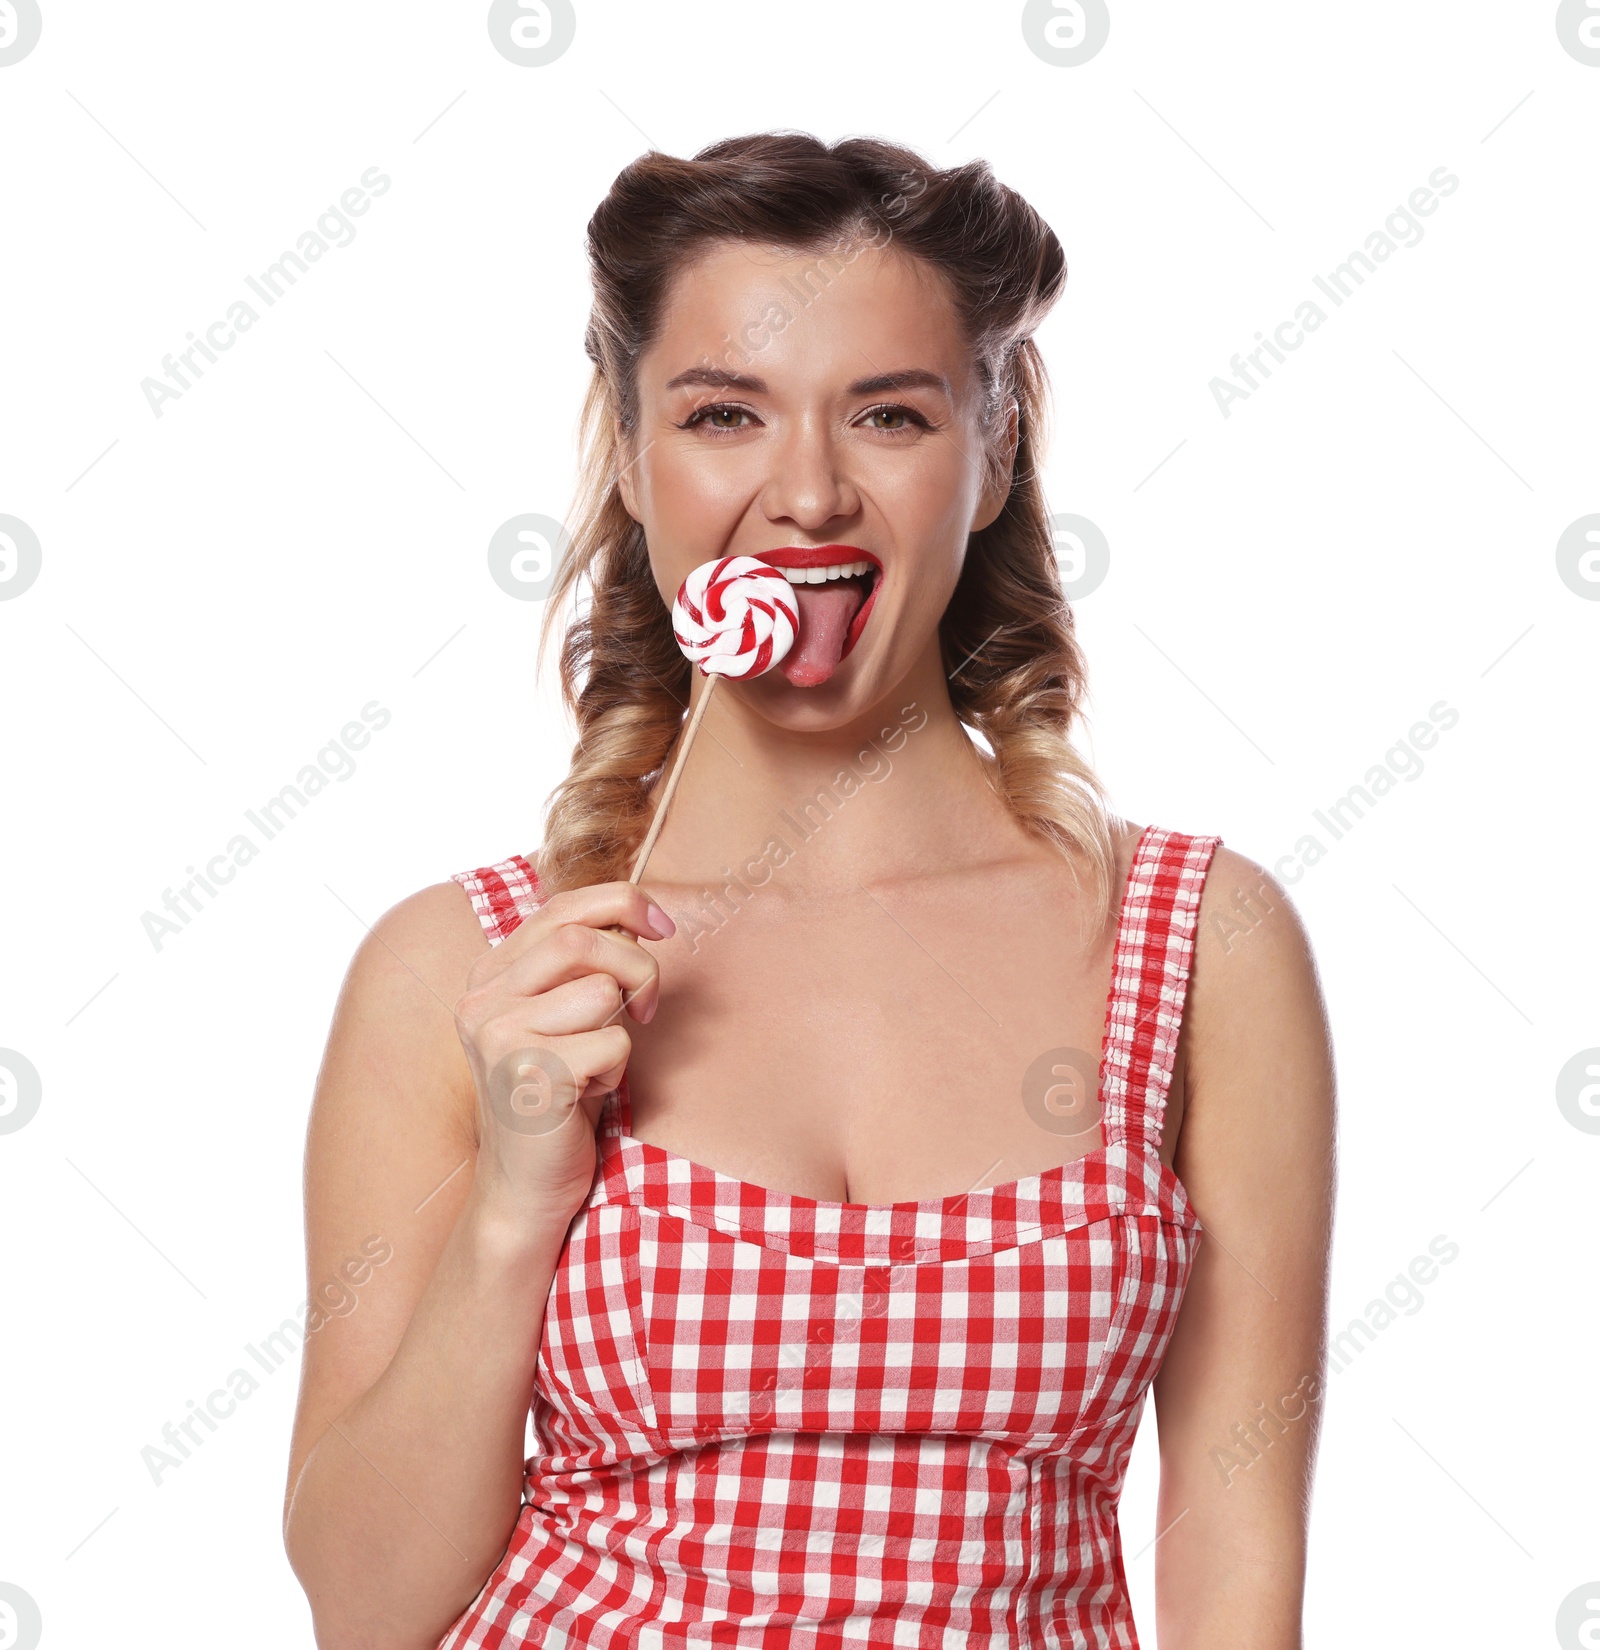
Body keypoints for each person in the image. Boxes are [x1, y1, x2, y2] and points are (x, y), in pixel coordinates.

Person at [282, 132, 1335, 1649]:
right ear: (635, 457)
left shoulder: (1201, 940)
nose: (809, 492)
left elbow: (1236, 1547)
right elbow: (362, 1609)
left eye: (890, 416)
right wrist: (516, 1201)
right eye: (724, 413)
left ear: (991, 452)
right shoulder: (465, 964)